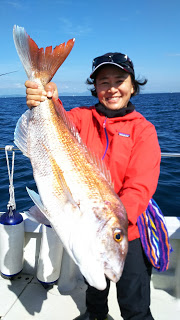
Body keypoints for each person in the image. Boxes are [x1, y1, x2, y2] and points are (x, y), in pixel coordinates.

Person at [25, 52, 161, 320]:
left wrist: (114, 224)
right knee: (95, 292)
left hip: (126, 231)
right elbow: (57, 122)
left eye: (119, 80)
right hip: (92, 228)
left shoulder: (143, 130)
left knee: (134, 303)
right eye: (103, 81)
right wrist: (45, 96)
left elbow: (139, 187)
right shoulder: (80, 117)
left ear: (133, 85)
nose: (112, 88)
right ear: (95, 88)